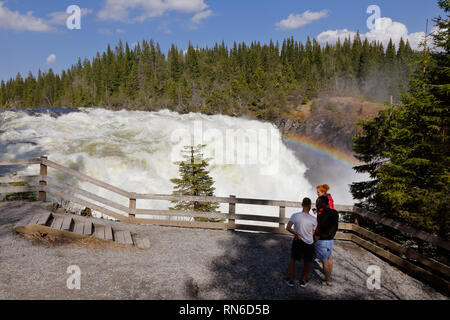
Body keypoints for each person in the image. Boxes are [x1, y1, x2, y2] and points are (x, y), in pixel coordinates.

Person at [286, 197, 317, 288]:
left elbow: (288, 228)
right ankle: (303, 281)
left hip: (298, 240)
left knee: (293, 259)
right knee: (307, 261)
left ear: (302, 204)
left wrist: (296, 234)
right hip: (309, 243)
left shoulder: (295, 215)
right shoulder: (313, 219)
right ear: (310, 206)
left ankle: (291, 280)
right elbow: (313, 233)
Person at [314, 195, 339, 286]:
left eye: (319, 203)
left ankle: (328, 280)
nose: (317, 204)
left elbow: (320, 229)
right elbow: (334, 226)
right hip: (331, 239)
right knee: (329, 258)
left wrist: (314, 240)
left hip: (323, 240)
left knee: (324, 261)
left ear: (323, 203)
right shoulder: (335, 212)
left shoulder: (323, 214)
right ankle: (329, 276)